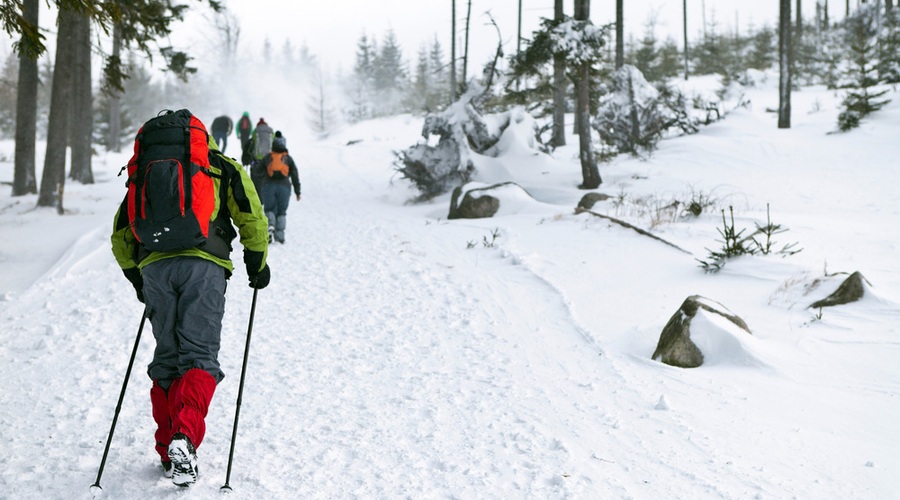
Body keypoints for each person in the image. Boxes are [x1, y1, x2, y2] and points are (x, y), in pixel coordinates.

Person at [111, 132, 270, 487]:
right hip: (205, 266)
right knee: (199, 356)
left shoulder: (144, 170)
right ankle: (185, 437)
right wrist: (257, 263)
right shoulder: (217, 164)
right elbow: (251, 214)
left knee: (167, 357)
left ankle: (167, 449)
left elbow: (121, 234)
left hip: (155, 268)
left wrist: (138, 279)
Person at [256, 133, 301, 244]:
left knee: (269, 209)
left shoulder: (268, 157)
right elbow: (295, 175)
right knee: (281, 211)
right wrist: (297, 191)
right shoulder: (288, 159)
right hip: (284, 187)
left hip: (268, 186)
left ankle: (270, 226)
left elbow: (258, 172)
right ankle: (280, 237)